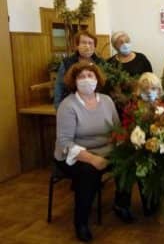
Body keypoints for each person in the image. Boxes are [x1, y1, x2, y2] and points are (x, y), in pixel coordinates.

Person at [54, 62, 119, 242]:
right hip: (73, 154)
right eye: (81, 77)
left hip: (105, 151)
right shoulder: (68, 105)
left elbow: (117, 130)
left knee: (129, 161)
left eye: (90, 76)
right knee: (88, 173)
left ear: (97, 79)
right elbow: (65, 142)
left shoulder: (106, 101)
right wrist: (92, 158)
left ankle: (122, 205)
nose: (86, 80)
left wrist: (123, 148)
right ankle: (81, 222)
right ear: (74, 81)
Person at [114, 72, 164, 220]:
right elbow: (126, 129)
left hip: (159, 151)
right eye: (145, 88)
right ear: (139, 90)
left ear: (159, 91)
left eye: (153, 88)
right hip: (138, 151)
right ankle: (122, 205)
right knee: (124, 165)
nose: (149, 91)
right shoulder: (132, 108)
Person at [53, 30, 103, 109]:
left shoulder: (101, 63)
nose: (87, 46)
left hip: (96, 103)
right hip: (72, 104)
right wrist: (58, 106)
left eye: (90, 43)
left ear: (95, 46)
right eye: (83, 42)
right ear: (77, 45)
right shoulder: (67, 62)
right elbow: (59, 86)